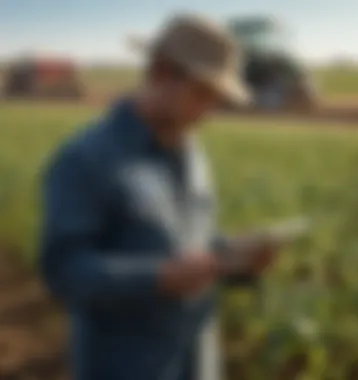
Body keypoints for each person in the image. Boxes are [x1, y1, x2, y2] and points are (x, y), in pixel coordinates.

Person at [39, 13, 280, 380]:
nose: (209, 112)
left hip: (197, 363)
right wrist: (159, 277)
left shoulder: (192, 152)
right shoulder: (86, 159)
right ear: (161, 73)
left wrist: (234, 258)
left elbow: (189, 245)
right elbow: (64, 270)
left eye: (216, 99)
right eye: (202, 93)